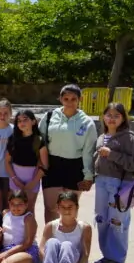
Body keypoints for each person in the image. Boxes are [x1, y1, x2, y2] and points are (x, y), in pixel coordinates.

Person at [93, 102, 134, 263]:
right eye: (108, 115)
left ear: (123, 118)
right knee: (102, 219)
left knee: (118, 222)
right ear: (103, 117)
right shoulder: (102, 136)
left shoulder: (129, 137)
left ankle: (119, 261)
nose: (112, 119)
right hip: (101, 183)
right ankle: (108, 256)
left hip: (120, 185)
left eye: (116, 115)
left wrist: (112, 154)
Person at [38, 84, 97, 223]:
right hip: (52, 166)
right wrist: (40, 165)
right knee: (51, 207)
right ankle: (52, 241)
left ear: (79, 99)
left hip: (75, 167)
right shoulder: (49, 117)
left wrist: (88, 176)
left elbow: (89, 151)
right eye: (66, 98)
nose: (70, 102)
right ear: (60, 99)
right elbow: (40, 143)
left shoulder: (87, 123)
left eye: (73, 99)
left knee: (69, 208)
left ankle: (68, 241)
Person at [38, 192, 92, 263]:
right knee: (52, 242)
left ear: (77, 207)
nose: (67, 210)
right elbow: (41, 249)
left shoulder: (84, 227)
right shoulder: (51, 226)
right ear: (57, 208)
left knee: (67, 245)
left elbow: (85, 254)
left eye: (70, 207)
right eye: (63, 207)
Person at [5, 109, 47, 213]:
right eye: (19, 121)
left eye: (25, 120)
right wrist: (15, 179)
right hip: (15, 178)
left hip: (33, 178)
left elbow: (45, 165)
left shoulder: (39, 140)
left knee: (29, 209)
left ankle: (30, 229)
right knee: (15, 209)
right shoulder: (13, 139)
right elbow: (7, 162)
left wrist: (33, 182)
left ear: (33, 122)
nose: (21, 123)